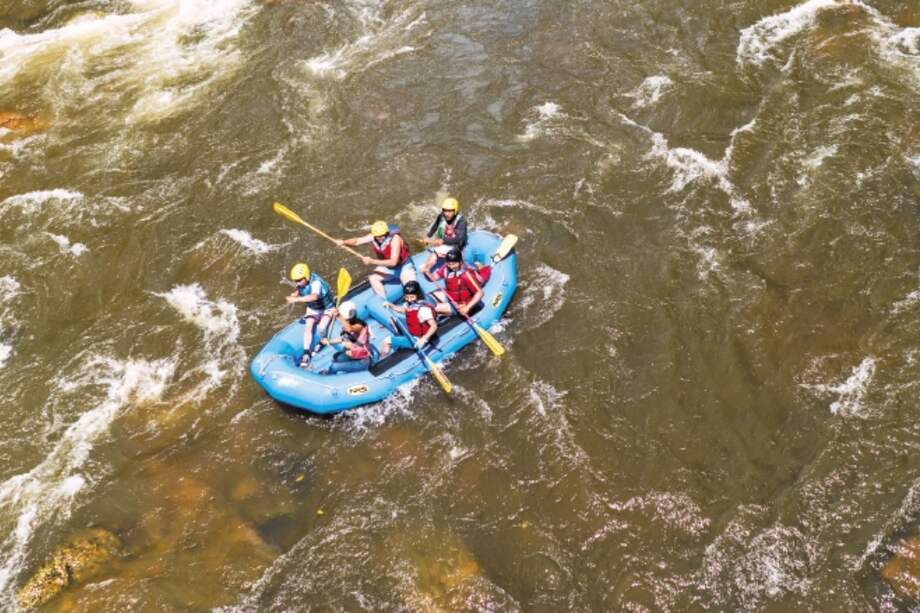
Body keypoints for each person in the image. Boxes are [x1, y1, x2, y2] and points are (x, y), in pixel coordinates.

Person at [336, 220, 415, 298]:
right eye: (378, 236)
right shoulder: (373, 236)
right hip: (389, 269)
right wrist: (344, 242)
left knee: (410, 290)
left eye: (382, 235)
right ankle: (383, 300)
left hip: (404, 267)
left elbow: (393, 262)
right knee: (372, 277)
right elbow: (356, 241)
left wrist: (372, 261)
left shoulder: (395, 239)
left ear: (387, 233)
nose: (380, 238)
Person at [285, 262, 334, 367]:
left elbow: (314, 296)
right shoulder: (303, 282)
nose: (297, 283)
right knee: (308, 328)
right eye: (295, 281)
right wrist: (296, 293)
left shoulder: (316, 283)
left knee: (322, 327)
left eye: (299, 280)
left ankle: (322, 342)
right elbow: (302, 289)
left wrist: (296, 299)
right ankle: (306, 353)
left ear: (306, 277)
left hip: (327, 308)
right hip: (313, 309)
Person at [380, 281, 437, 355]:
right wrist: (391, 305)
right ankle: (395, 348)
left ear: (418, 295)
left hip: (418, 339)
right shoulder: (409, 304)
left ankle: (383, 358)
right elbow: (403, 310)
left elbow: (434, 326)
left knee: (386, 340)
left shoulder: (423, 309)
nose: (409, 300)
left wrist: (424, 339)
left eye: (412, 297)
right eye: (407, 297)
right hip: (414, 332)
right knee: (394, 321)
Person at [318, 301, 375, 374]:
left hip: (362, 361)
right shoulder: (347, 325)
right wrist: (329, 341)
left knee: (334, 367)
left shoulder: (360, 325)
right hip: (353, 355)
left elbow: (350, 329)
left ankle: (329, 376)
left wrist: (339, 316)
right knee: (337, 358)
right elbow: (344, 338)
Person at [427, 249, 489, 317]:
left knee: (432, 309)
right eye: (449, 264)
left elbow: (480, 292)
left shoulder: (466, 275)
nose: (451, 266)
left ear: (460, 262)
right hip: (450, 297)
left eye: (454, 264)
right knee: (428, 298)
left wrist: (467, 307)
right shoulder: (445, 268)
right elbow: (433, 278)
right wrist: (427, 270)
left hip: (461, 304)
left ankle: (438, 315)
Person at [419, 197, 468, 275]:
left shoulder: (461, 221)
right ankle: (427, 267)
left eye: (449, 211)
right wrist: (428, 236)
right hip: (446, 240)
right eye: (445, 210)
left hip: (457, 244)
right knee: (436, 252)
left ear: (455, 211)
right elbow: (435, 226)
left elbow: (459, 238)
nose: (446, 214)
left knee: (441, 253)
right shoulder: (442, 216)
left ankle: (459, 269)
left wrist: (443, 241)